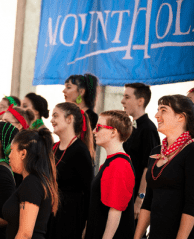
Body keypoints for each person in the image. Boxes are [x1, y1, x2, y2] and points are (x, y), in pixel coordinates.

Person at [134, 95, 194, 239]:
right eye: (158, 110)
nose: (156, 115)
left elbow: (192, 205)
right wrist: (137, 236)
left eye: (163, 110)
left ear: (181, 117)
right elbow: (149, 200)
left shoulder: (193, 151)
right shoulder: (156, 152)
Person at [47, 102, 94, 239]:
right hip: (51, 214)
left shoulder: (80, 150)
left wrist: (87, 224)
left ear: (69, 119)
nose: (52, 120)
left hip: (70, 217)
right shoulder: (53, 148)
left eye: (56, 116)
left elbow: (89, 192)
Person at [85, 110, 134, 239]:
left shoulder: (119, 164)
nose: (94, 131)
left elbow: (115, 211)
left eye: (99, 127)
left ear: (113, 132)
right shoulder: (112, 162)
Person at [2, 128, 59, 239]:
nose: (9, 155)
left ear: (23, 154)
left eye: (12, 150)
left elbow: (25, 234)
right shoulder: (33, 181)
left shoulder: (32, 183)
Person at [121, 83, 160, 223]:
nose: (122, 101)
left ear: (140, 101)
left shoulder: (148, 129)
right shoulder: (132, 126)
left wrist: (140, 199)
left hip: (135, 196)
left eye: (127, 97)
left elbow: (148, 166)